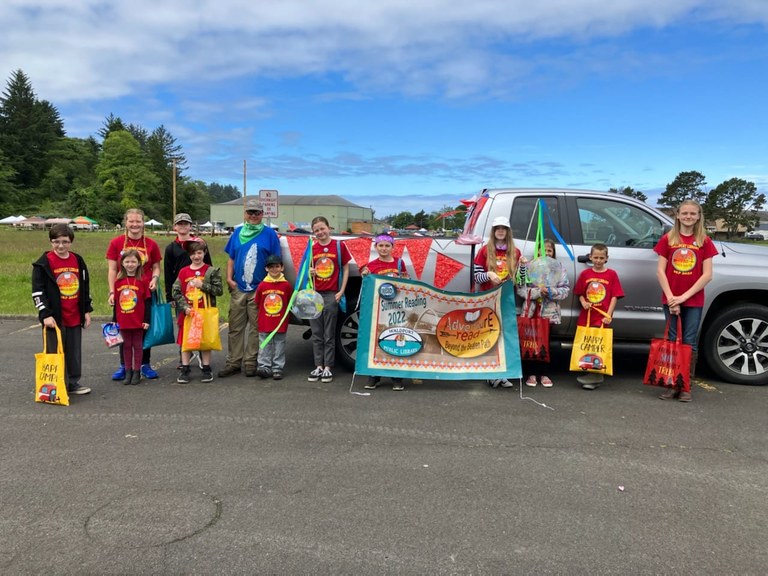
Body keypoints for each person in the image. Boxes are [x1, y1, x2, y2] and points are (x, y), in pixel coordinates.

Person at [654, 199, 717, 402]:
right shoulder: (668, 239)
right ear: (678, 216)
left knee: (689, 342)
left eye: (692, 213)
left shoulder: (704, 242)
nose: (688, 217)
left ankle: (685, 385)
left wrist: (684, 297)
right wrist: (672, 298)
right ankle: (672, 383)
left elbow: (707, 275)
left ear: (698, 216)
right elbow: (660, 271)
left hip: (693, 301)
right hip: (670, 299)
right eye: (685, 213)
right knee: (673, 341)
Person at [219, 199, 281, 378]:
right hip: (238, 287)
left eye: (257, 213)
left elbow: (275, 261)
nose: (253, 216)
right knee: (236, 327)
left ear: (262, 214)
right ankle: (233, 362)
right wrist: (229, 278)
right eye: (250, 212)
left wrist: (268, 284)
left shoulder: (269, 234)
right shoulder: (237, 232)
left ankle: (250, 362)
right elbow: (231, 258)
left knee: (256, 327)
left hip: (259, 288)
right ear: (245, 214)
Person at [32, 224, 93, 396]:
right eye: (56, 241)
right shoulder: (43, 264)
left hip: (74, 314)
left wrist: (86, 309)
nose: (60, 246)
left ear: (71, 242)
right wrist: (45, 314)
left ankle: (72, 383)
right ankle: (55, 385)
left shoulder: (78, 260)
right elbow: (37, 292)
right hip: (54, 318)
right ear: (50, 242)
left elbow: (84, 286)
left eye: (65, 242)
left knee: (73, 352)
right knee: (55, 352)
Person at [106, 208, 162, 381]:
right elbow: (112, 269)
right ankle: (125, 366)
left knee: (144, 328)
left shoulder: (151, 244)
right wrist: (112, 292)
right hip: (123, 292)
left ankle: (144, 364)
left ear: (143, 222)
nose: (135, 224)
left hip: (144, 291)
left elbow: (156, 267)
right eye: (131, 221)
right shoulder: (116, 243)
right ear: (126, 222)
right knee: (123, 329)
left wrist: (155, 279)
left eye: (138, 221)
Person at [473, 215, 521, 388]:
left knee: (504, 336)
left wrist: (523, 268)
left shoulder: (515, 252)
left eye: (503, 228)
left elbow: (520, 280)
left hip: (506, 299)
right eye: (497, 228)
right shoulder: (484, 250)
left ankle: (502, 373)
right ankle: (490, 373)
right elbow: (476, 277)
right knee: (490, 335)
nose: (500, 231)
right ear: (493, 231)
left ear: (508, 231)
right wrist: (489, 275)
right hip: (489, 298)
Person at [517, 238, 570, 388]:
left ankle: (544, 373)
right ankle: (531, 373)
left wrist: (550, 291)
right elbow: (520, 289)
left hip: (549, 313)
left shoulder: (559, 268)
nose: (546, 253)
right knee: (530, 341)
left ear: (553, 253)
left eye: (549, 250)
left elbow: (565, 289)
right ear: (537, 251)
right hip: (531, 312)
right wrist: (537, 291)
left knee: (545, 343)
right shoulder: (529, 267)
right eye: (543, 250)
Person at [164, 213, 212, 369]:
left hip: (200, 291)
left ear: (191, 226)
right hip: (182, 294)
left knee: (201, 324)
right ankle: (184, 356)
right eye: (180, 224)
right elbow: (168, 273)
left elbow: (209, 266)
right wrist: (170, 296)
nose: (183, 226)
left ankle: (203, 357)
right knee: (183, 325)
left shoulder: (200, 243)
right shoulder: (171, 248)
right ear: (175, 227)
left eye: (186, 224)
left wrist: (208, 288)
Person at [172, 240, 224, 384]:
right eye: (193, 253)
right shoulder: (184, 272)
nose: (196, 256)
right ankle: (185, 368)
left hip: (204, 312)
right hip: (189, 313)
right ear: (189, 255)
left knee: (205, 341)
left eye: (199, 253)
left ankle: (206, 368)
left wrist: (203, 285)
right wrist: (184, 307)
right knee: (186, 341)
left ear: (204, 253)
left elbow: (219, 291)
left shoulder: (211, 271)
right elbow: (176, 291)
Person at [573, 243, 624, 390]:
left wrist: (609, 314)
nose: (598, 260)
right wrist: (583, 302)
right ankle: (590, 373)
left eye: (602, 257)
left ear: (607, 258)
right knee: (587, 344)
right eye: (595, 257)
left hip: (601, 317)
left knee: (598, 346)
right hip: (587, 315)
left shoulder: (611, 274)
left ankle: (596, 375)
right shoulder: (585, 275)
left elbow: (615, 296)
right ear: (590, 257)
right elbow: (580, 293)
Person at [307, 216, 351, 384]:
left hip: (332, 294)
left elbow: (346, 268)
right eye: (316, 230)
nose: (320, 233)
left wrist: (342, 290)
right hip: (315, 295)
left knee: (328, 333)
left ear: (329, 228)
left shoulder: (339, 246)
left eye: (322, 229)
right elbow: (308, 268)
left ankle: (328, 367)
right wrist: (310, 272)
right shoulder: (312, 248)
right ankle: (318, 365)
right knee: (317, 333)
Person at [362, 234, 407, 391]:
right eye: (380, 245)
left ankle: (397, 377)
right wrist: (365, 276)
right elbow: (367, 289)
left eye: (387, 246)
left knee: (395, 341)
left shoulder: (400, 264)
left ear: (393, 248)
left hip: (395, 310)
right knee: (377, 343)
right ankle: (374, 376)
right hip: (378, 310)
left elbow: (407, 285)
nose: (384, 248)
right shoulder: (371, 266)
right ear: (375, 247)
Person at [113, 249, 151, 385]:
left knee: (138, 346)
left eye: (133, 261)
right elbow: (116, 303)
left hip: (138, 320)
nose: (130, 264)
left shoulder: (143, 280)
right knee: (126, 346)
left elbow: (147, 301)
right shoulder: (118, 282)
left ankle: (137, 372)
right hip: (123, 320)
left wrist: (147, 320)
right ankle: (127, 371)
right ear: (122, 263)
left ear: (139, 263)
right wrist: (114, 321)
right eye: (127, 261)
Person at [254, 254, 294, 380]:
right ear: (266, 269)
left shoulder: (286, 285)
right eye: (271, 267)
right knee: (264, 345)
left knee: (279, 346)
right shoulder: (262, 285)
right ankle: (264, 366)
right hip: (265, 321)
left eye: (277, 266)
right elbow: (257, 301)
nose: (274, 269)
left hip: (280, 322)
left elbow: (289, 302)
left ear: (282, 267)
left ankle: (277, 368)